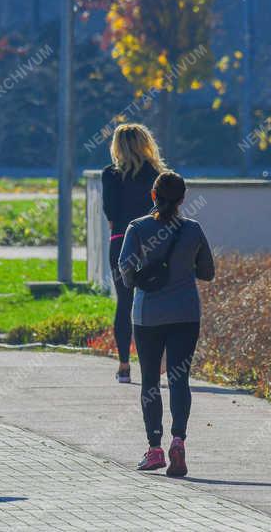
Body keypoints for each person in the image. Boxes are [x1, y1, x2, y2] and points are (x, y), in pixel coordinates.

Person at [118, 171, 215, 477]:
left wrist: (146, 275)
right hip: (186, 314)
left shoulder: (137, 227)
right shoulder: (193, 229)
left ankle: (154, 448)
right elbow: (207, 272)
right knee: (179, 379)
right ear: (183, 198)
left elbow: (125, 270)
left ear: (153, 196)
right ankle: (179, 440)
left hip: (148, 316)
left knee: (149, 381)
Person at [101, 123, 164, 384]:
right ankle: (155, 363)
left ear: (117, 146)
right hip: (153, 242)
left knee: (124, 303)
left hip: (120, 241)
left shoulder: (110, 175)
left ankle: (124, 365)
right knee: (155, 303)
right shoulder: (156, 174)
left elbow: (111, 212)